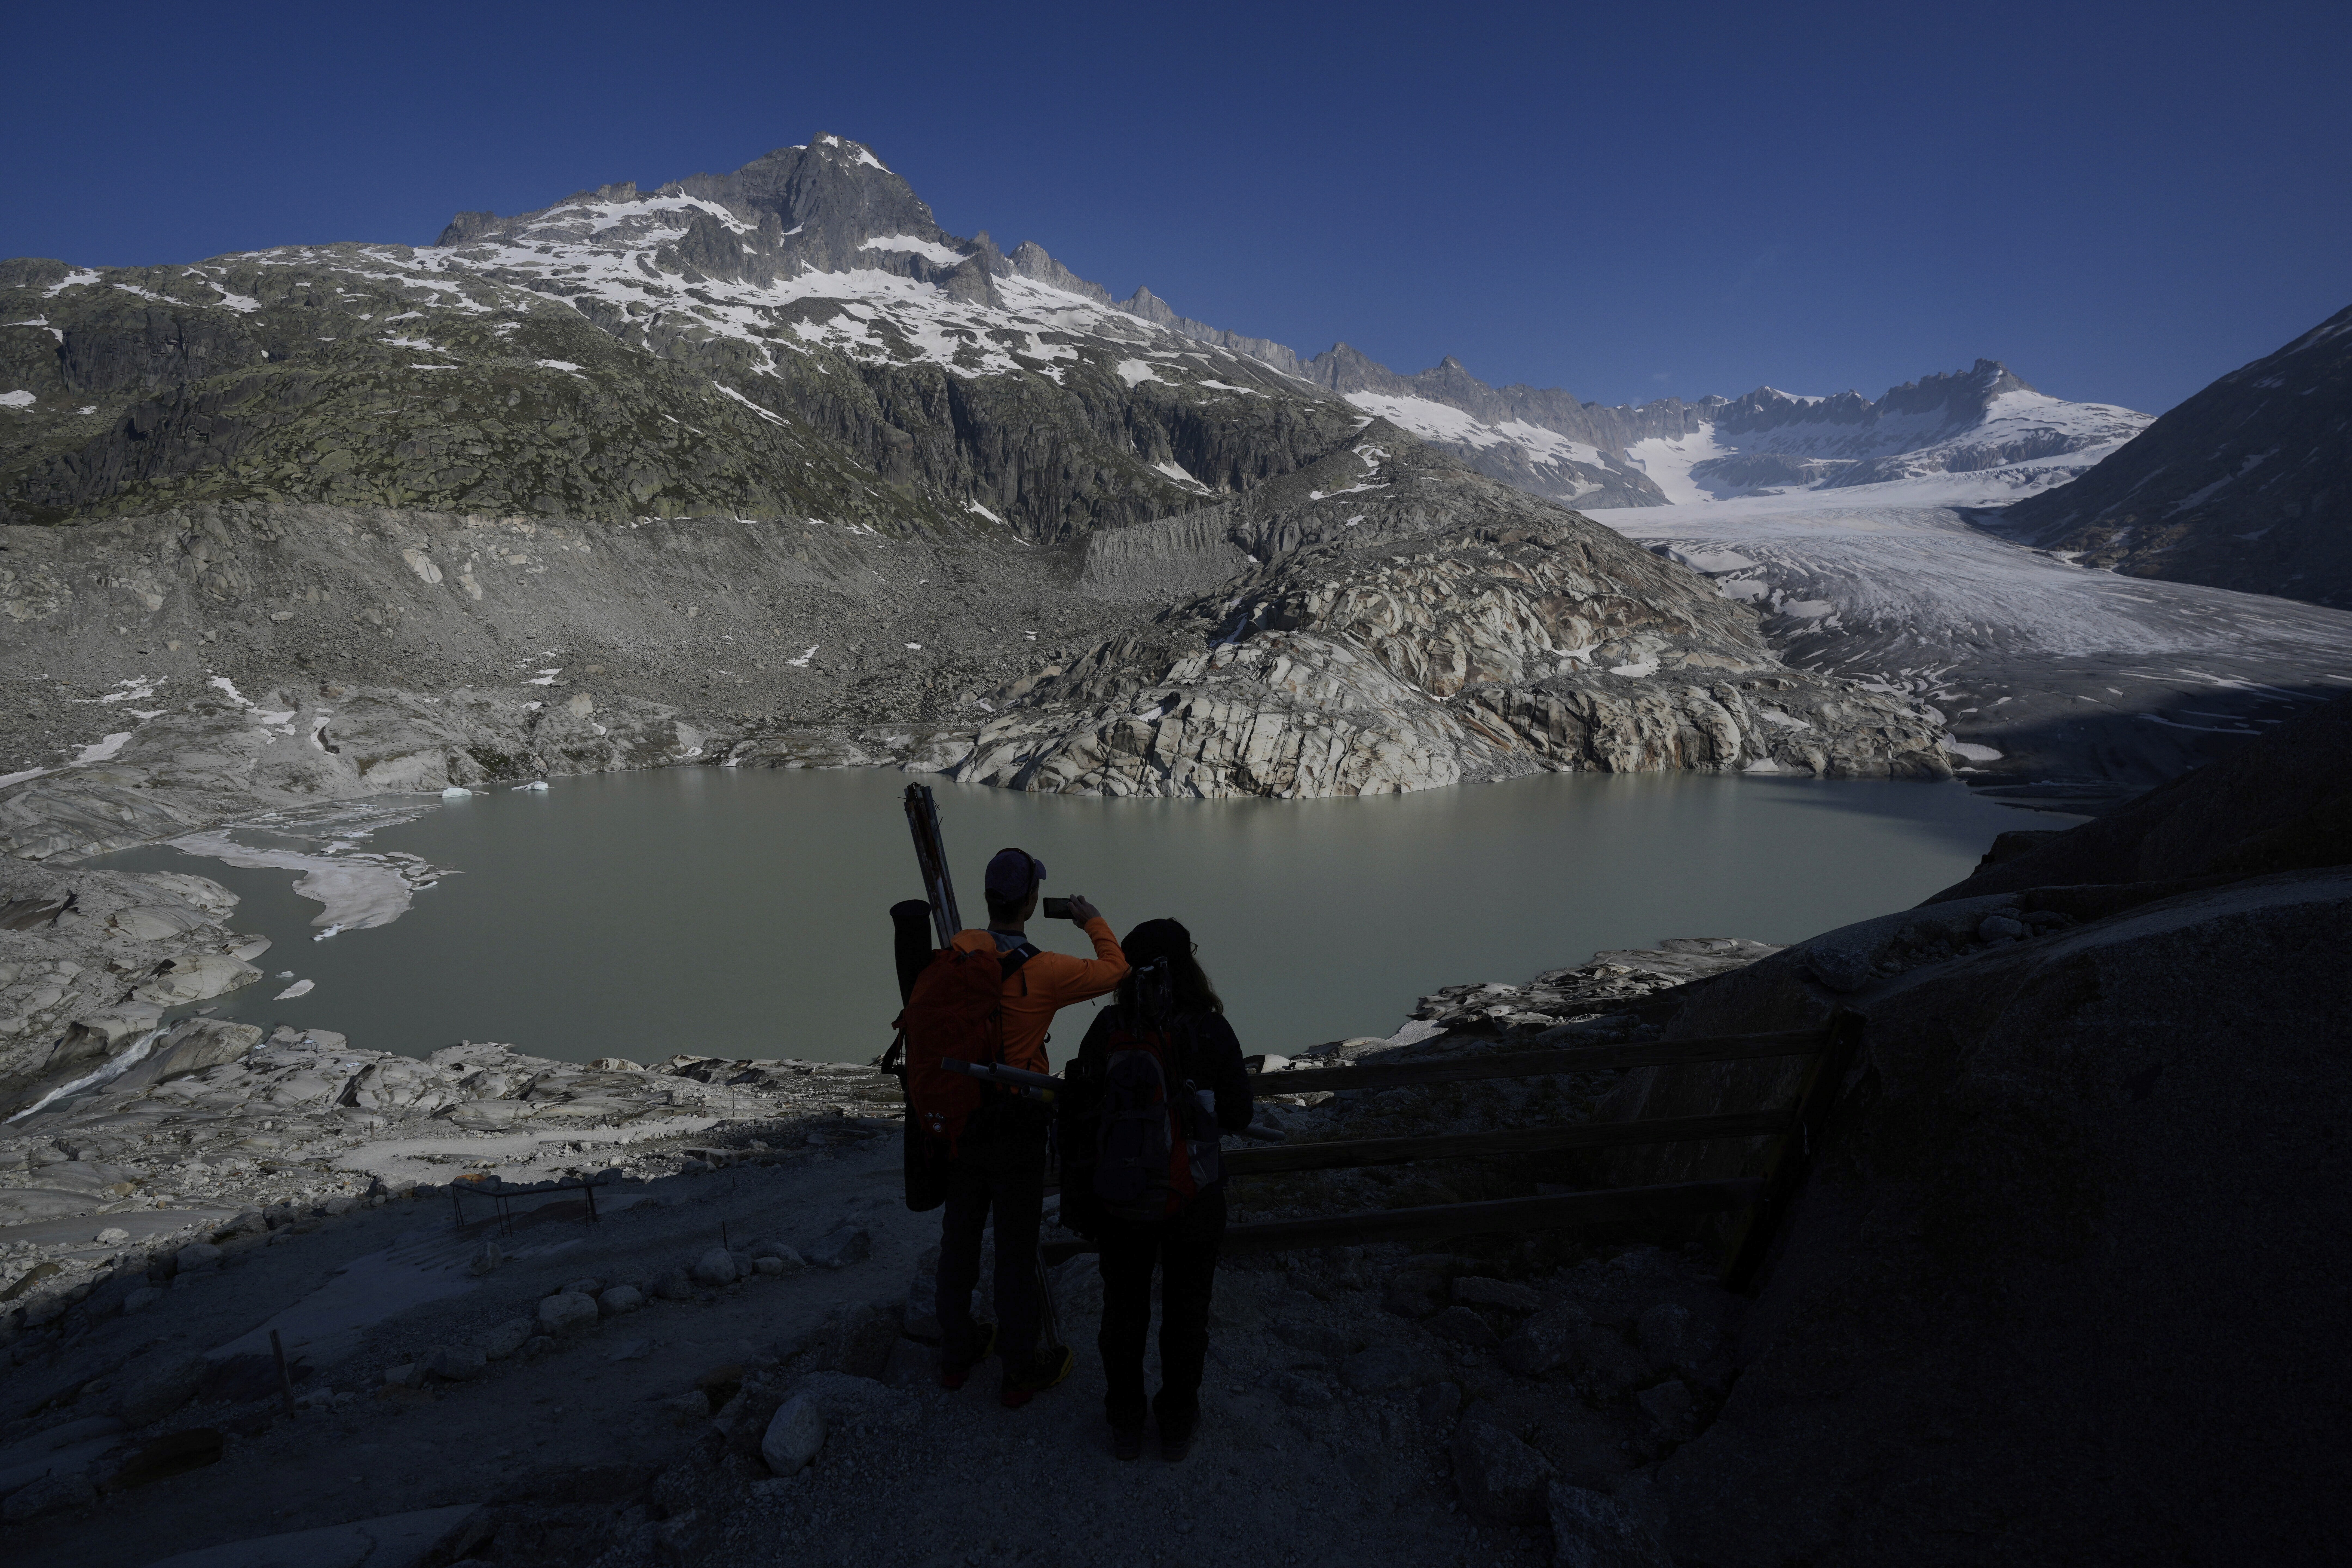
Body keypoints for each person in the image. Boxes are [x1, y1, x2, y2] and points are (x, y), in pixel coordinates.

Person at [935, 846, 1127, 1408]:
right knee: (1015, 1250)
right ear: (1032, 900)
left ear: (990, 898)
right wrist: (1089, 918)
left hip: (964, 1118)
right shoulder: (1046, 972)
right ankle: (1018, 1370)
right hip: (1018, 1123)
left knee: (960, 1239)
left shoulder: (960, 950)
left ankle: (955, 1355)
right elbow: (1118, 971)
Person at [1065, 917, 1252, 1462]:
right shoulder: (1211, 1030)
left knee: (1123, 1312)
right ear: (1186, 967)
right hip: (1193, 1197)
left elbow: (1081, 1113)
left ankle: (1125, 1422)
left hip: (1122, 1199)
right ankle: (1175, 1425)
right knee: (1186, 1314)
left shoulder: (1108, 1029)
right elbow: (1240, 1113)